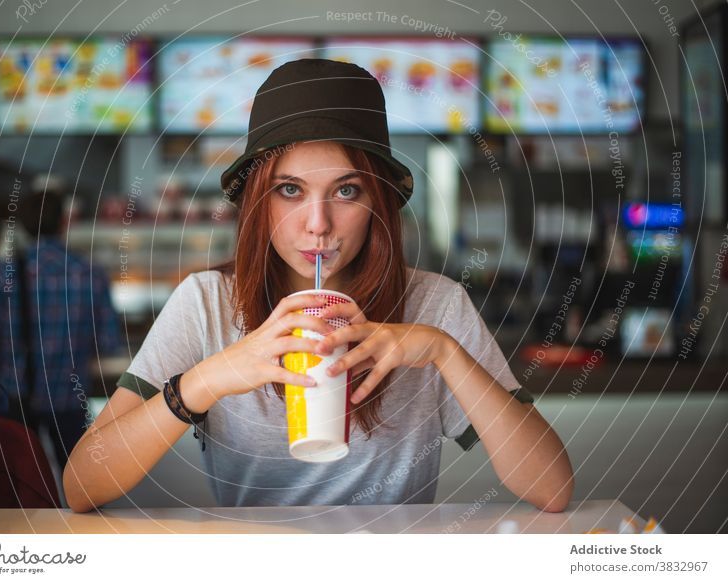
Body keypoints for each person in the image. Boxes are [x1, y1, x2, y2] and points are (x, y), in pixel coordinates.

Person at [63, 59, 574, 513]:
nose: (318, 223)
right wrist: (211, 378)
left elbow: (552, 489)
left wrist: (444, 352)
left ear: (379, 201)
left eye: (346, 191)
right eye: (290, 190)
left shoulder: (434, 305)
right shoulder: (207, 303)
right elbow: (82, 486)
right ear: (258, 202)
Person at [0, 185, 120, 476]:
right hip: (70, 398)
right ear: (63, 222)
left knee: (20, 487)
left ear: (25, 226)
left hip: (17, 397)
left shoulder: (5, 273)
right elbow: (110, 341)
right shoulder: (89, 272)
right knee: (84, 485)